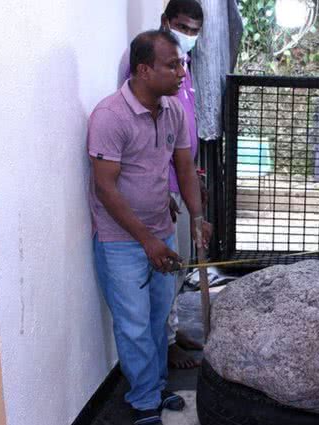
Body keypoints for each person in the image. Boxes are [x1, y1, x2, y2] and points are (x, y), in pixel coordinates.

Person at [89, 29, 212, 425]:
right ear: (143, 70)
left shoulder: (173, 110)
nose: (183, 71)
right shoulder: (110, 116)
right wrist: (147, 240)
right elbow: (104, 187)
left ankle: (156, 387)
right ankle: (143, 397)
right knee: (134, 322)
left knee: (159, 319)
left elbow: (184, 168)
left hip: (160, 230)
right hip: (122, 240)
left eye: (182, 63)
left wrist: (196, 218)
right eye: (173, 64)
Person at [119, 0, 206, 370]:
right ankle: (166, 341)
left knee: (178, 261)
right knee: (165, 265)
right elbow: (142, 131)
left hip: (181, 176)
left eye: (193, 30)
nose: (187, 36)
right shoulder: (142, 66)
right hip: (160, 184)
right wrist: (161, 189)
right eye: (182, 27)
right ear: (165, 22)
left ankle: (172, 328)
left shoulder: (181, 67)